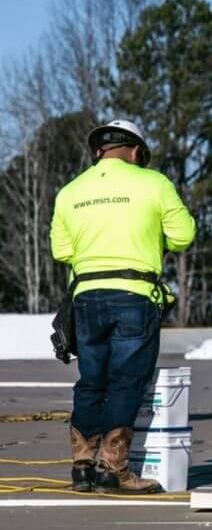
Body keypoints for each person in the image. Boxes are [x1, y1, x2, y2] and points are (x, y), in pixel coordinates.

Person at [50, 119, 195, 494]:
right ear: (136, 152)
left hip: (86, 296)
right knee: (127, 380)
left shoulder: (69, 192)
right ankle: (112, 468)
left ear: (99, 152)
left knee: (91, 380)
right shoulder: (154, 183)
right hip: (134, 294)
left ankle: (82, 467)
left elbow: (61, 251)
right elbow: (184, 236)